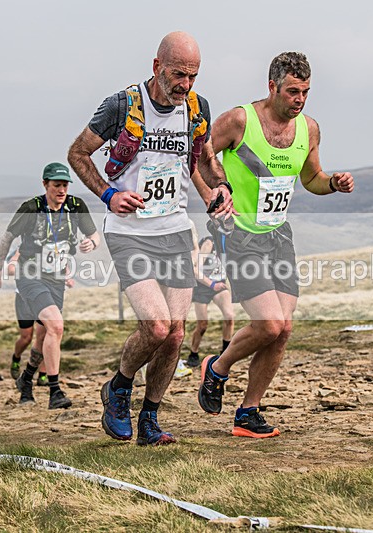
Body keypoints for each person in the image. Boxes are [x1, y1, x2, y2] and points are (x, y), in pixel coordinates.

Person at [67, 31, 233, 445]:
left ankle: (149, 419)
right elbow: (77, 153)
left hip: (175, 230)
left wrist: (220, 188)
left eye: (193, 76)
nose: (185, 85)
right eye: (178, 74)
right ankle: (119, 387)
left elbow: (204, 158)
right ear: (157, 66)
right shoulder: (122, 106)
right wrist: (109, 194)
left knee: (176, 334)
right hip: (129, 233)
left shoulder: (196, 108)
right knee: (156, 327)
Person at [198, 52, 355, 438]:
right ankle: (217, 368)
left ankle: (248, 412)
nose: (299, 100)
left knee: (282, 330)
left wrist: (332, 183)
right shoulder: (240, 121)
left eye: (305, 92)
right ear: (272, 87)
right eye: (292, 91)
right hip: (239, 234)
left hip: (279, 235)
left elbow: (312, 179)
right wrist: (215, 193)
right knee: (268, 324)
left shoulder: (309, 129)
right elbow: (198, 156)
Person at [0, 162, 100, 410]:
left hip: (56, 279)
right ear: (45, 185)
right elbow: (7, 239)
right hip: (29, 275)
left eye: (65, 186)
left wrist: (92, 243)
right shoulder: (31, 208)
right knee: (56, 326)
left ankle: (26, 380)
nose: (61, 190)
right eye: (56, 185)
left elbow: (94, 235)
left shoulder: (75, 206)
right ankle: (55, 391)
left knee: (43, 336)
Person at [186, 224, 235, 369]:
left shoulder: (231, 246)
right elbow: (195, 270)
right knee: (202, 325)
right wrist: (212, 284)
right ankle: (193, 353)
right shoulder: (209, 243)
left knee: (229, 316)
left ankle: (226, 352)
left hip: (219, 285)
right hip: (203, 287)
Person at [6, 249, 48, 385]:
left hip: (44, 296)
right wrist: (15, 267)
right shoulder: (22, 248)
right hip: (24, 298)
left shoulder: (49, 247)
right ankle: (16, 358)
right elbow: (10, 269)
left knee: (46, 335)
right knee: (26, 337)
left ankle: (43, 375)